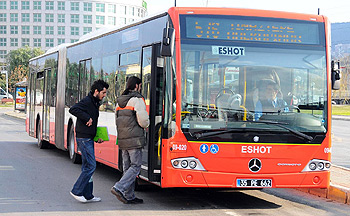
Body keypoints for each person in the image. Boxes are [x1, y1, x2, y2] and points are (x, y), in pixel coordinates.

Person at [69, 79, 109, 203]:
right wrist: (87, 117)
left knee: (87, 166)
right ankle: (76, 191)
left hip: (89, 137)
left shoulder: (94, 102)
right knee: (91, 166)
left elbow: (92, 122)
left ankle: (88, 195)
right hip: (83, 138)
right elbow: (73, 109)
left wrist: (96, 137)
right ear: (96, 91)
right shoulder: (87, 101)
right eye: (103, 92)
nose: (104, 95)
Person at [111, 76, 149, 204]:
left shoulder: (119, 101)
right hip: (134, 140)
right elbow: (143, 121)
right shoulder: (137, 100)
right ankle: (119, 187)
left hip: (123, 140)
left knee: (127, 168)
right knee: (135, 167)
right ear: (137, 86)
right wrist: (147, 125)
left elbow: (116, 120)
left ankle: (129, 195)